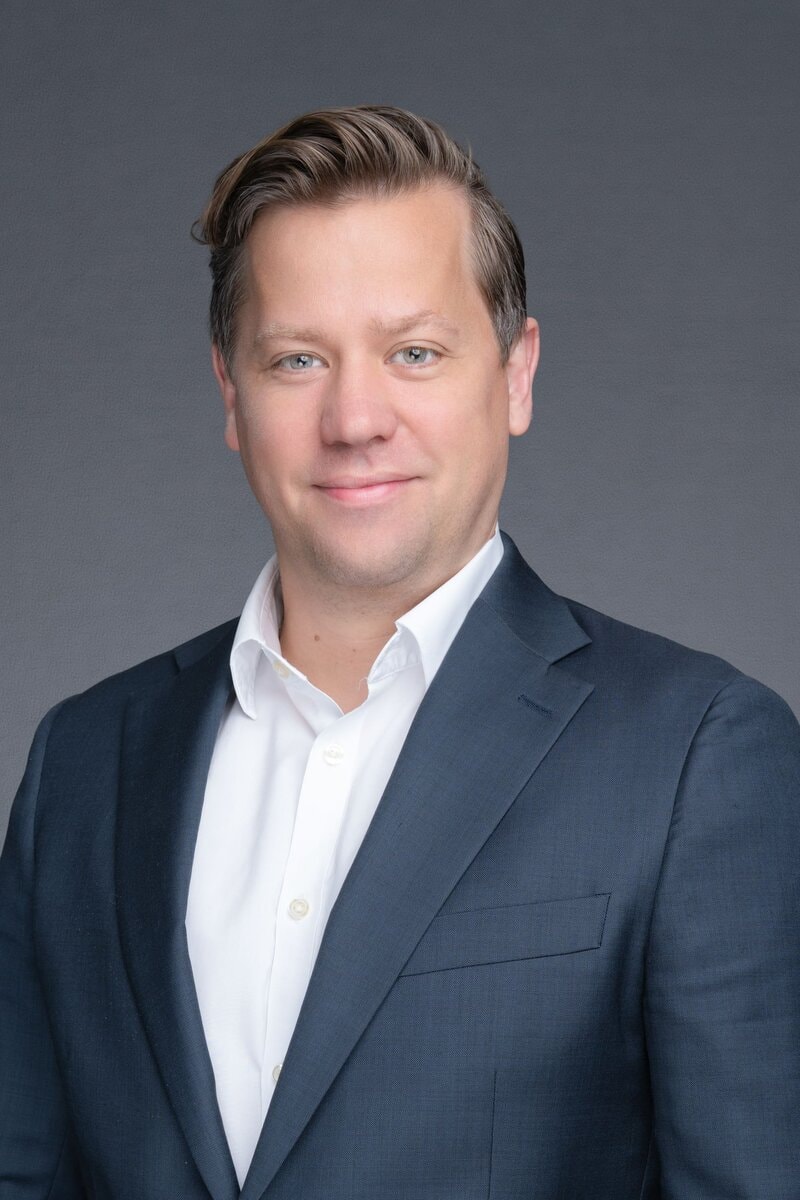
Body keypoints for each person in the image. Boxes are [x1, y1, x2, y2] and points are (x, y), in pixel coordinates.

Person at [1, 105, 798, 1200]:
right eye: (296, 360)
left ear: (514, 376)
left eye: (413, 351)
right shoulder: (84, 764)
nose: (355, 417)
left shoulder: (696, 754)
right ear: (231, 394)